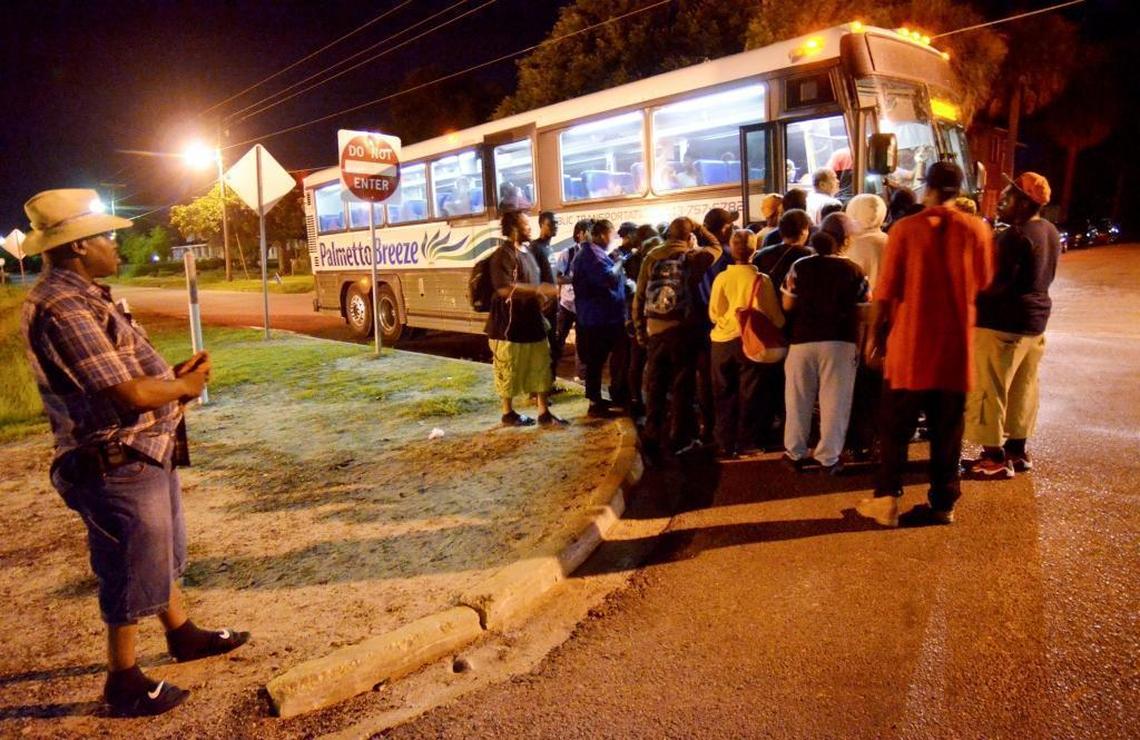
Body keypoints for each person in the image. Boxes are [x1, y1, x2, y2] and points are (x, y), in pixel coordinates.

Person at [20, 189, 249, 717]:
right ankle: (122, 679)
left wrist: (172, 379)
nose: (115, 245)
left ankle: (182, 634)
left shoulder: (86, 295)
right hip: (112, 456)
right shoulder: (62, 305)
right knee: (126, 561)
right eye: (105, 236)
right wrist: (182, 389)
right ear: (78, 246)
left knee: (157, 552)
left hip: (143, 448)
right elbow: (124, 395)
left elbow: (127, 375)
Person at [855, 162, 995, 527]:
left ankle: (887, 501)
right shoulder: (977, 229)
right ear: (960, 191)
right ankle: (943, 503)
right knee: (947, 431)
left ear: (926, 187)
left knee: (895, 428)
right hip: (954, 350)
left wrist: (872, 337)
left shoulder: (906, 230)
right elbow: (983, 281)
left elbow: (885, 292)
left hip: (911, 350)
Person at [964, 172, 1061, 478]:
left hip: (1001, 324)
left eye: (1006, 197)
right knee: (1023, 387)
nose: (1000, 202)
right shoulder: (1048, 230)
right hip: (1033, 323)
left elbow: (993, 283)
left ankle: (993, 458)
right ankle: (1017, 452)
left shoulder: (1014, 236)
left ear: (1023, 202)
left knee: (989, 389)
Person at [780, 214, 869, 472]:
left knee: (798, 399)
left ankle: (794, 452)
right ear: (846, 240)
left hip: (802, 340)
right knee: (835, 401)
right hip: (840, 342)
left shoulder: (800, 265)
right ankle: (828, 457)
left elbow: (788, 303)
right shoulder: (854, 269)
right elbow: (865, 312)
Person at [633, 217, 711, 459]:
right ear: (688, 236)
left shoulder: (652, 256)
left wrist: (639, 328)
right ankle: (679, 439)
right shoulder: (693, 256)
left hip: (655, 329)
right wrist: (699, 228)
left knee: (655, 386)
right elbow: (716, 247)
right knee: (681, 387)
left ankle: (652, 437)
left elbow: (639, 295)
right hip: (681, 329)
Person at [707, 229, 784, 458]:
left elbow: (713, 313)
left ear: (731, 249)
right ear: (755, 249)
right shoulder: (762, 279)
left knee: (723, 393)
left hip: (721, 341)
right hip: (749, 342)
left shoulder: (721, 277)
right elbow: (775, 317)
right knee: (750, 393)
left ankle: (724, 441)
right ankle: (747, 442)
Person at [486, 210, 567, 427]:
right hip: (509, 327)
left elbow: (531, 282)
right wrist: (538, 289)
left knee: (541, 365)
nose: (530, 227)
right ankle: (508, 413)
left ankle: (544, 412)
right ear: (513, 229)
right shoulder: (503, 255)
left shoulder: (527, 252)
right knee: (509, 369)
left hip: (533, 322)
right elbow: (504, 289)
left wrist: (540, 296)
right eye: (525, 224)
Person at [844, 193, 890, 460]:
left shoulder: (851, 247)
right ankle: (880, 437)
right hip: (888, 322)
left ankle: (858, 440)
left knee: (858, 384)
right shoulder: (891, 242)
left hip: (859, 324)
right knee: (881, 384)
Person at [572, 219, 630, 416]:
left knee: (598, 361)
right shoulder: (591, 255)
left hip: (600, 317)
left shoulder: (592, 253)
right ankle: (596, 404)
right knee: (598, 361)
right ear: (604, 234)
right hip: (599, 319)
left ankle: (598, 400)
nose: (612, 240)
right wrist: (620, 262)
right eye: (612, 236)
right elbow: (609, 278)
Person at [553, 220, 591, 381]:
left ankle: (581, 377)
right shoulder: (567, 254)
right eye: (589, 231)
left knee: (582, 343)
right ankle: (548, 375)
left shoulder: (593, 253)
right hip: (567, 305)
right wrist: (574, 279)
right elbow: (558, 278)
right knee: (558, 340)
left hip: (584, 306)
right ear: (580, 233)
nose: (591, 234)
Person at [529, 211, 559, 382]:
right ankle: (538, 389)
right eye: (551, 224)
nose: (555, 227)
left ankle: (549, 384)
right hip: (542, 309)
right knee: (542, 349)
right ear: (541, 225)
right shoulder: (536, 248)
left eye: (556, 224)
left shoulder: (549, 248)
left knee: (552, 348)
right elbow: (532, 279)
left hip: (552, 307)